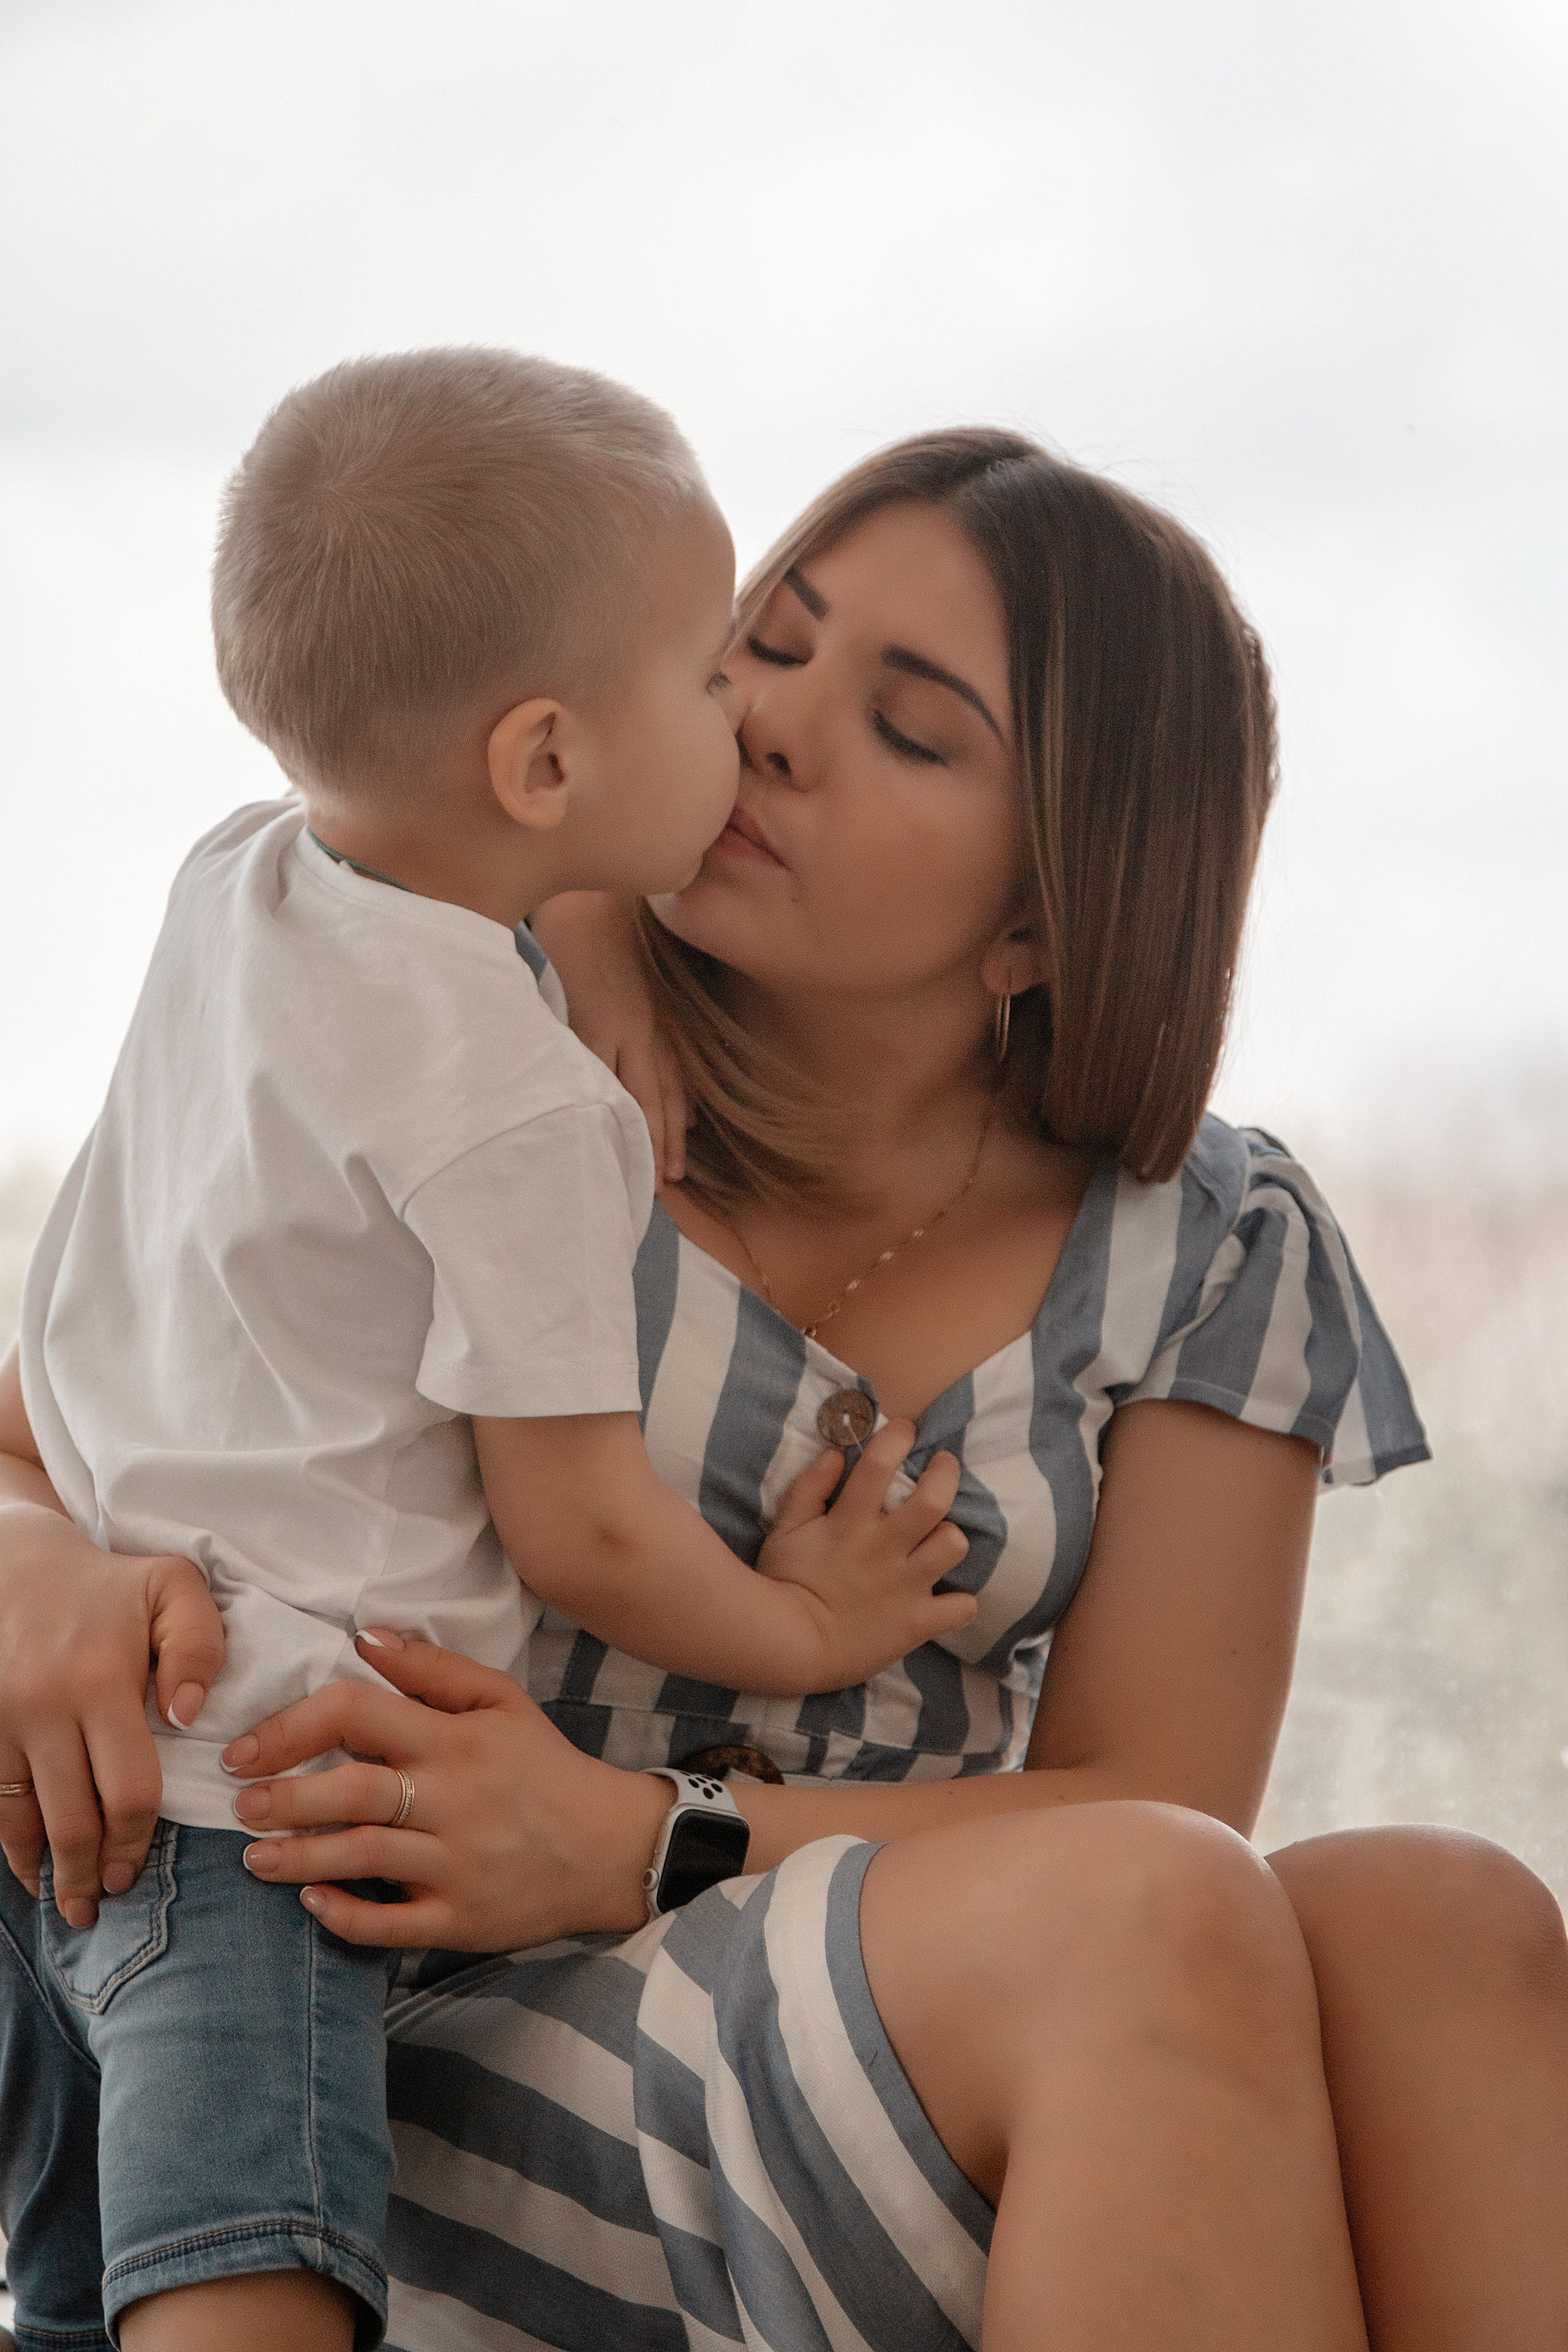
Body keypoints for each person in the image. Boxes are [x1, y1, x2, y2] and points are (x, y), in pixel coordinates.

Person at [4, 427, 1567, 2351]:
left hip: (876, 1974)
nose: (770, 728)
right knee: (1143, 1923)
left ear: (1043, 921)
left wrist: (644, 1834)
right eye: (769, 643)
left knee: (1444, 1919)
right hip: (399, 1993)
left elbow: (1152, 1794)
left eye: (909, 729)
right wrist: (35, 1572)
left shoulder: (1216, 1248)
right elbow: (40, 1428)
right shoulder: (459, 1021)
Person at [0, 353, 978, 2352]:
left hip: (51, 1759)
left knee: (69, 2285)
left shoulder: (231, 880)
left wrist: (582, 906)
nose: (748, 725)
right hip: (252, 1787)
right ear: (540, 767)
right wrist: (803, 1622)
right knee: (240, 2289)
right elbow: (583, 1531)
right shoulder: (524, 1115)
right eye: (716, 677)